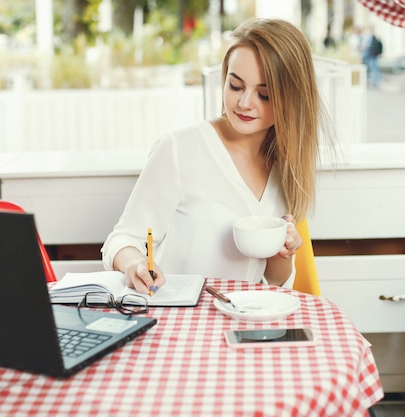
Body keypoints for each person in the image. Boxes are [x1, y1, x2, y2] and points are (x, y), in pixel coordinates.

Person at [101, 18, 333, 295]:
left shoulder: (287, 168)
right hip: (176, 323)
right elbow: (123, 239)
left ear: (292, 98)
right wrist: (135, 263)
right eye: (235, 86)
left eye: (264, 94)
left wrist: (283, 254)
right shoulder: (180, 148)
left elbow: (273, 285)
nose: (245, 103)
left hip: (242, 327)